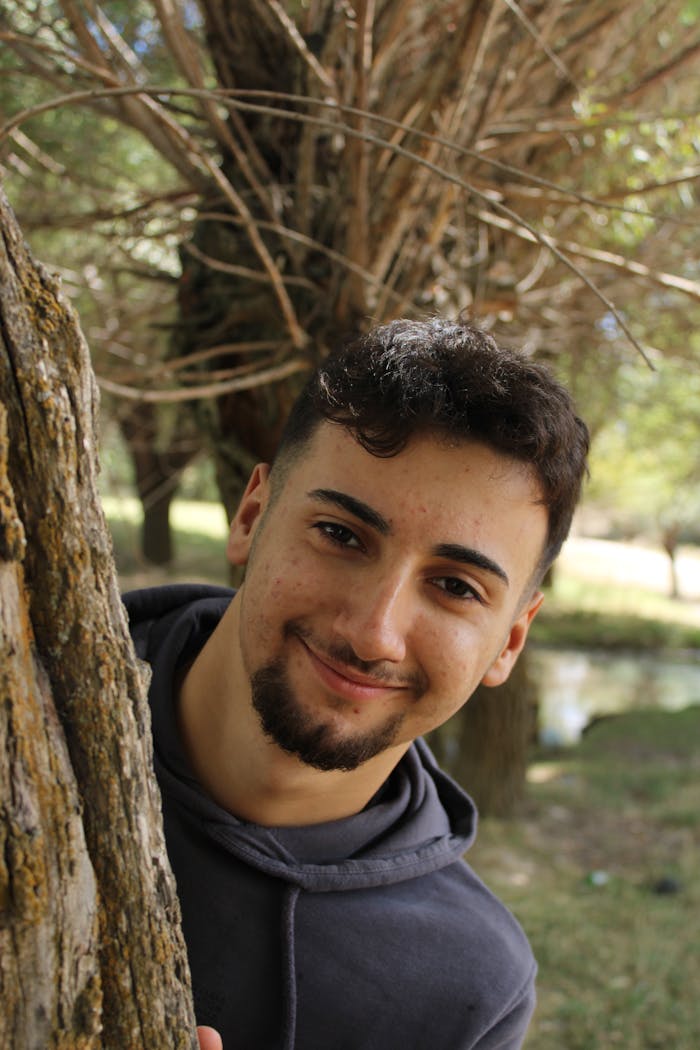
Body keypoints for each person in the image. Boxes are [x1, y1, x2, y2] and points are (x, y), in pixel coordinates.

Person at [124, 318, 589, 1050]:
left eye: (456, 587)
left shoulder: (469, 993)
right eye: (341, 534)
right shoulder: (22, 700)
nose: (374, 633)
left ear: (509, 641)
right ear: (252, 517)